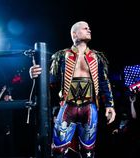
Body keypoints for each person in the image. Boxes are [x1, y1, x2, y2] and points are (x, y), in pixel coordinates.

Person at [29, 21, 116, 158]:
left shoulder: (97, 57)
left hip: (89, 106)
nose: (89, 29)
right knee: (58, 151)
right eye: (85, 28)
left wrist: (109, 105)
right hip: (67, 106)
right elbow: (50, 82)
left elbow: (104, 81)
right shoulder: (61, 56)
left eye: (89, 27)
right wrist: (36, 75)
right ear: (74, 33)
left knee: (88, 152)